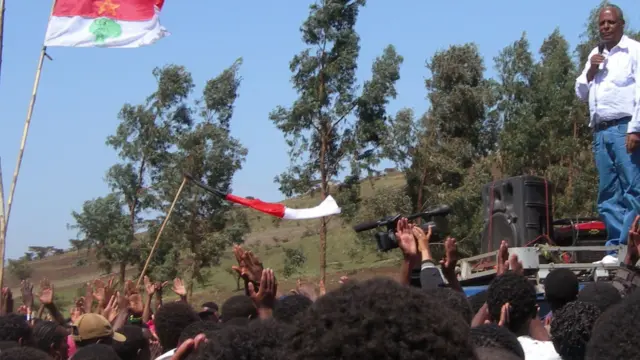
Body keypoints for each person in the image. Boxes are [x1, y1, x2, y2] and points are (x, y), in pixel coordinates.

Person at [574, 4, 640, 261]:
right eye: (601, 23)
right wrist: (591, 70)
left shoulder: (634, 50)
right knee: (608, 192)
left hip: (625, 127)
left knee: (632, 189)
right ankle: (614, 248)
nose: (605, 27)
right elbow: (580, 92)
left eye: (610, 22)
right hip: (600, 131)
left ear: (621, 24)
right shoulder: (596, 53)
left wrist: (635, 128)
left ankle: (628, 245)